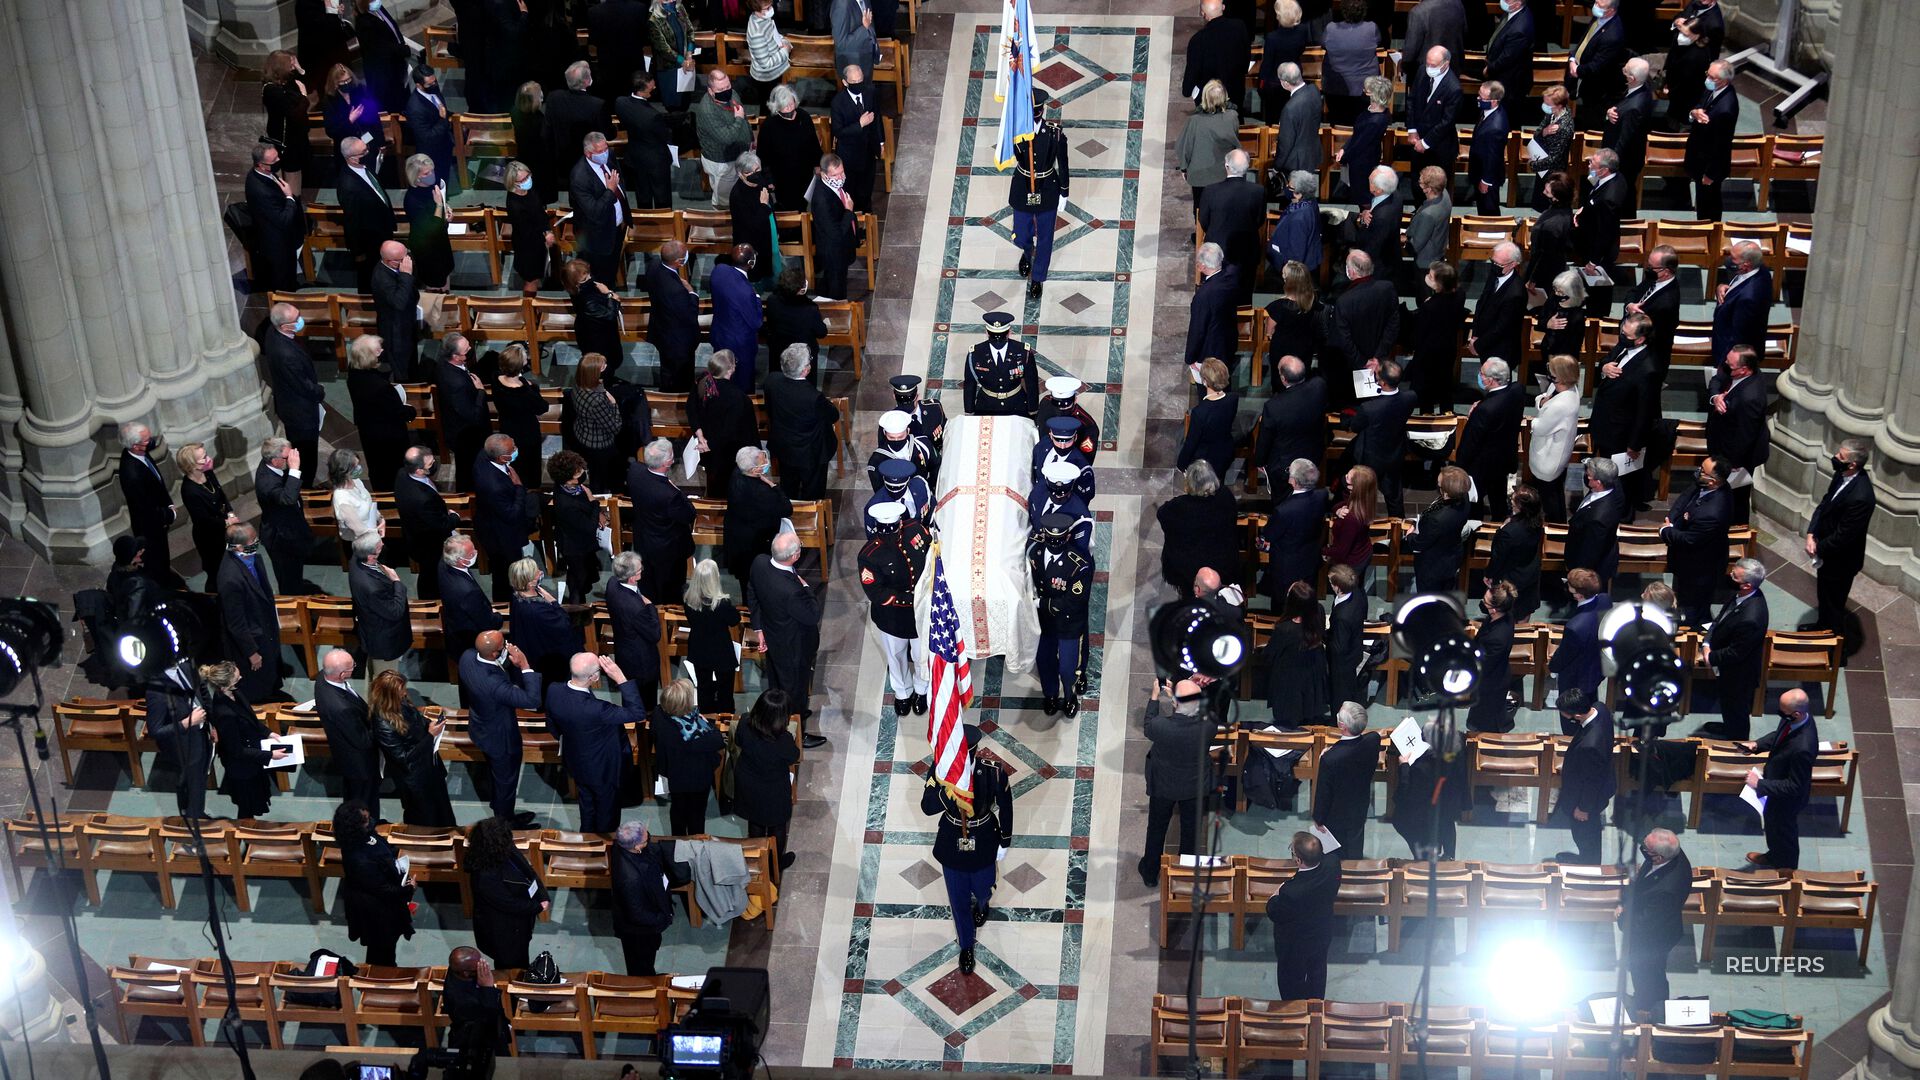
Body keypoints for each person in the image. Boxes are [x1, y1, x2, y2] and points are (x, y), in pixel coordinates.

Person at [921, 725, 1013, 975]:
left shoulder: (992, 772)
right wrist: (950, 791)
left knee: (984, 887)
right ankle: (966, 946)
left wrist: (1005, 840)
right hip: (952, 840)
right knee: (958, 899)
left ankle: (982, 905)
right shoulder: (940, 773)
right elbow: (927, 807)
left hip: (983, 838)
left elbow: (1006, 806)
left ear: (973, 753)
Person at [547, 653, 647, 834]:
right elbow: (638, 713)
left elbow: (552, 725)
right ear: (593, 677)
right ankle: (603, 843)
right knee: (607, 808)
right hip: (602, 767)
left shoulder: (554, 690)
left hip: (576, 760)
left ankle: (587, 836)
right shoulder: (598, 710)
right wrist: (620, 678)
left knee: (586, 801)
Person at [748, 533, 828, 746]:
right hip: (794, 645)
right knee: (794, 688)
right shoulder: (792, 591)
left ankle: (794, 713)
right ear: (794, 556)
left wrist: (758, 628)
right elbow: (812, 615)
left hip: (773, 635)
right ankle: (796, 733)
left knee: (779, 682)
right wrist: (805, 587)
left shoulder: (759, 563)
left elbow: (752, 592)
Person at [458, 631, 541, 824]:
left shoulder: (467, 657)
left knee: (497, 774)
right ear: (495, 653)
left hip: (481, 727)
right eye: (503, 645)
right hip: (500, 737)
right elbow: (532, 699)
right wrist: (524, 665)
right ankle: (505, 822)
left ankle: (499, 806)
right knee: (506, 780)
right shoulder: (494, 685)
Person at [859, 503, 931, 715]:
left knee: (920, 655)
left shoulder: (916, 529)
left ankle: (921, 689)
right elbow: (877, 593)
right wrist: (912, 598)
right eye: (888, 528)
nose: (892, 531)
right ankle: (902, 692)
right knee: (896, 656)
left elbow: (931, 558)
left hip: (920, 614)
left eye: (895, 527)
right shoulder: (870, 554)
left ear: (900, 523)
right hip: (892, 617)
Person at [1138, 677, 1210, 885]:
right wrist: (1180, 702)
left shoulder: (1161, 727)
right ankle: (1185, 871)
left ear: (1175, 704)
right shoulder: (1208, 727)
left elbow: (1148, 724)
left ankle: (1150, 871)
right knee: (1191, 830)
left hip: (1163, 785)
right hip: (1194, 786)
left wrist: (1155, 697)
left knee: (1157, 828)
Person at [1806, 439, 1877, 641]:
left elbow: (1843, 536)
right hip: (1827, 551)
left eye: (1841, 457)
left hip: (1841, 561)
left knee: (1834, 604)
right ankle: (1821, 629)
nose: (1835, 458)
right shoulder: (1841, 475)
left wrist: (1817, 548)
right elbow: (1825, 504)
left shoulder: (1862, 497)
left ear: (1853, 464)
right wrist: (1812, 533)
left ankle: (1836, 648)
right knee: (1824, 597)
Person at [1588, 313, 1661, 508]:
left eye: (1626, 335)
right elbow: (1606, 359)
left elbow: (1645, 411)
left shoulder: (1648, 369)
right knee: (1606, 470)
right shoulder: (1624, 346)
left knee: (1622, 478)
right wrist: (1604, 367)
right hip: (1606, 421)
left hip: (1622, 431)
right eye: (1622, 332)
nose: (1621, 337)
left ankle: (1622, 512)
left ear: (1640, 339)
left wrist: (1634, 444)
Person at [1620, 829, 1692, 1019]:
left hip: (1653, 938)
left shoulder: (1666, 890)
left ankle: (1650, 1012)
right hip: (1656, 924)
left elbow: (1643, 924)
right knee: (1649, 972)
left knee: (1648, 973)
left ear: (1658, 857)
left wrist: (1622, 915)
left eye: (1646, 849)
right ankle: (1648, 1002)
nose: (1642, 850)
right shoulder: (1671, 852)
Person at [369, 669, 455, 827]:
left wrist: (430, 724)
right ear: (390, 694)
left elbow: (417, 718)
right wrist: (430, 736)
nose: (404, 692)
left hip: (429, 768)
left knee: (442, 811)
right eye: (401, 690)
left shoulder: (402, 702)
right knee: (425, 818)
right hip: (414, 779)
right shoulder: (382, 723)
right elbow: (402, 757)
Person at [336, 800, 415, 967]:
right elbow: (381, 889)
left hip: (380, 898)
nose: (370, 821)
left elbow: (381, 846)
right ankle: (380, 978)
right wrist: (408, 888)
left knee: (385, 947)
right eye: (365, 820)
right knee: (381, 947)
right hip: (376, 910)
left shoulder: (364, 834)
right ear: (354, 825)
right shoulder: (359, 858)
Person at [1697, 557, 1769, 741]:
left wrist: (1710, 656)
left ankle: (1737, 739)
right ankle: (1730, 728)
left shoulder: (1751, 618)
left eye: (1734, 576)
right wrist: (1707, 642)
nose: (1729, 576)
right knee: (1728, 704)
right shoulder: (1742, 595)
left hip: (1739, 673)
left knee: (1736, 707)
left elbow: (1736, 652)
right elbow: (1721, 618)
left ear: (1747, 585)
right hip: (1729, 667)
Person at [1745, 690, 1818, 870]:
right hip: (1777, 785)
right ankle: (1774, 856)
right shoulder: (1793, 721)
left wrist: (1759, 784)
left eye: (1781, 712)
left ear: (1797, 714)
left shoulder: (1803, 747)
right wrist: (1758, 745)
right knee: (1772, 825)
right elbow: (1779, 735)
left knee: (1784, 832)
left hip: (1787, 800)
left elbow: (1795, 786)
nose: (1779, 715)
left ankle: (1786, 870)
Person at [202, 661, 283, 819]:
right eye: (237, 678)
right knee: (246, 808)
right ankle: (245, 835)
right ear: (225, 685)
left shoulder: (235, 693)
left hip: (252, 758)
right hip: (242, 767)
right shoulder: (224, 713)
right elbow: (236, 750)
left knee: (252, 803)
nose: (241, 678)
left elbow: (251, 719)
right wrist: (270, 755)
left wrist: (269, 734)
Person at [1012, 90, 1072, 300]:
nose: (1036, 114)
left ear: (1043, 110)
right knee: (1021, 233)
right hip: (1023, 186)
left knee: (1045, 237)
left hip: (1047, 188)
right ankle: (1027, 252)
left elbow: (1063, 164)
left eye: (1038, 110)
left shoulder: (1055, 134)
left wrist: (1064, 191)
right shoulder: (1016, 131)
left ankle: (1037, 277)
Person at [1267, 831, 1341, 1000]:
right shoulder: (1333, 865)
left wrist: (1276, 894)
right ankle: (1315, 1006)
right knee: (1318, 971)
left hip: (1295, 942)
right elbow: (1330, 853)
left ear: (1299, 860)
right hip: (1322, 932)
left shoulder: (1291, 891)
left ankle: (1294, 1008)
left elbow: (1273, 911)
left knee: (1291, 978)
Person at [1662, 455, 1733, 627]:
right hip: (1686, 561)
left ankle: (1690, 636)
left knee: (1692, 606)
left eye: (1702, 470)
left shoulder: (1713, 512)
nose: (1698, 472)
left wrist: (1665, 530)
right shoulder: (1703, 483)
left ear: (1713, 481)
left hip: (1699, 568)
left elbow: (1689, 539)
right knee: (1682, 595)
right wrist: (1671, 519)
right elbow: (1684, 498)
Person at [218, 524, 285, 702]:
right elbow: (236, 623)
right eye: (253, 540)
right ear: (239, 547)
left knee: (271, 671)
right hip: (254, 638)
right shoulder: (230, 579)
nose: (257, 542)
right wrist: (252, 652)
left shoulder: (254, 559)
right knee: (258, 683)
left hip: (266, 626)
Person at [764, 345, 841, 500]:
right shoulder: (813, 397)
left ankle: (789, 514)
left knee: (788, 485)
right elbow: (833, 415)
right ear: (805, 370)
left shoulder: (772, 381)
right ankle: (812, 515)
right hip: (811, 451)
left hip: (785, 446)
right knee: (813, 490)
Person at [736, 690, 801, 870]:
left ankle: (757, 860)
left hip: (747, 781)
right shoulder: (783, 740)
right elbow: (793, 757)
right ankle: (775, 864)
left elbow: (738, 741)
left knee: (755, 821)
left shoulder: (744, 722)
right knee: (777, 826)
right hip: (772, 788)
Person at [1705, 345, 1770, 526]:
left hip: (1737, 458)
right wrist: (1716, 397)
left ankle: (1735, 530)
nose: (1726, 365)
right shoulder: (1733, 370)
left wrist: (1732, 463)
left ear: (1744, 369)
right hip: (1723, 443)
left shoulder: (1751, 397)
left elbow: (1745, 435)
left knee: (1735, 496)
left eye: (1730, 365)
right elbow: (1716, 380)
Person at [1343, 362, 1417, 518]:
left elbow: (1355, 426)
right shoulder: (1410, 397)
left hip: (1370, 458)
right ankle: (1398, 531)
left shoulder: (1369, 408)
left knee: (1362, 495)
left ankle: (1359, 525)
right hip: (1394, 453)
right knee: (1394, 498)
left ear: (1382, 383)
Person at [262, 305, 326, 484]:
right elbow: (303, 386)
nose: (301, 320)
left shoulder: (272, 331)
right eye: (296, 319)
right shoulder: (286, 354)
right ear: (284, 327)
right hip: (300, 413)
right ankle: (305, 485)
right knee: (306, 453)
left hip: (289, 403)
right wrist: (319, 392)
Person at [1157, 462, 1239, 600]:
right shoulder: (1225, 495)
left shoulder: (1179, 506)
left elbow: (1162, 514)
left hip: (1189, 569)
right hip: (1223, 561)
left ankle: (1190, 599)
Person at [653, 679, 725, 836]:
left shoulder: (659, 715)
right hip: (696, 779)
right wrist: (708, 724)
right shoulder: (694, 738)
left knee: (678, 810)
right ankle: (695, 845)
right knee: (696, 816)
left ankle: (677, 843)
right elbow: (718, 741)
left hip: (674, 776)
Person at [1552, 688, 1616, 863]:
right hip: (1599, 777)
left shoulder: (1591, 745)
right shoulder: (1600, 708)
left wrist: (1584, 808)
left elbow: (1592, 781)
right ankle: (1587, 857)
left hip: (1586, 797)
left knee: (1585, 832)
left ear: (1577, 715)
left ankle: (1589, 863)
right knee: (1588, 833)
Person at [1328, 251, 1400, 408]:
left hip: (1353, 363)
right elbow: (1393, 325)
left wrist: (1363, 361)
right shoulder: (1387, 288)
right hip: (1380, 359)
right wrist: (1378, 356)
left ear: (1351, 271)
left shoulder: (1344, 301)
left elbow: (1343, 338)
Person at [314, 648, 382, 813]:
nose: (355, 668)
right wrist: (384, 726)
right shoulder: (341, 708)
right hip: (359, 763)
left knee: (354, 793)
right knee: (365, 799)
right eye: (352, 667)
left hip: (345, 752)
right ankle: (366, 827)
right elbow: (363, 740)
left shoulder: (322, 677)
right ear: (342, 675)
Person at [344, 336, 417, 486]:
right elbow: (398, 412)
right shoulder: (380, 387)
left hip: (368, 429)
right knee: (391, 469)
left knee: (376, 465)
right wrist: (411, 411)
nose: (382, 351)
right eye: (378, 350)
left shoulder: (354, 373)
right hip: (387, 436)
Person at [473, 434, 539, 601]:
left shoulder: (485, 455)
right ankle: (506, 605)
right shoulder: (494, 485)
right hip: (501, 536)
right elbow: (512, 514)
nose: (516, 449)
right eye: (513, 449)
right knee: (505, 573)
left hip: (492, 522)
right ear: (502, 458)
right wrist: (518, 487)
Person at [1455, 358, 1523, 519]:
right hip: (1504, 458)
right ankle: (1499, 523)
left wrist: (1460, 466)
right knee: (1498, 498)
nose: (1479, 375)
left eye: (1482, 373)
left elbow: (1470, 443)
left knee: (1474, 502)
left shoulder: (1484, 410)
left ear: (1490, 380)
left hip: (1481, 466)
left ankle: (1475, 530)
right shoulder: (1517, 391)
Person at [118, 425, 184, 589]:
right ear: (135, 445)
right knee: (157, 563)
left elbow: (157, 482)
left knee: (162, 559)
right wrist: (169, 515)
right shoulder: (131, 473)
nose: (152, 441)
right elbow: (146, 510)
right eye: (148, 439)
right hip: (149, 528)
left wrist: (168, 503)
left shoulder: (141, 453)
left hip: (157, 517)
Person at [143, 659, 211, 819]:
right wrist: (188, 722)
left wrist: (211, 722)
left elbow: (202, 691)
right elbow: (156, 730)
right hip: (184, 744)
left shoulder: (187, 666)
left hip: (202, 732)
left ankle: (196, 810)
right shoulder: (156, 690)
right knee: (192, 780)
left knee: (200, 777)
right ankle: (194, 816)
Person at [689, 351, 760, 499]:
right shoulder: (738, 397)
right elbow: (735, 430)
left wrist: (700, 434)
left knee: (715, 487)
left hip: (708, 450)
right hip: (728, 454)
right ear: (731, 369)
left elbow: (691, 409)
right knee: (729, 491)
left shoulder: (703, 383)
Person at [610, 821, 677, 975]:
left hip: (647, 911)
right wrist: (663, 918)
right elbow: (637, 914)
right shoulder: (630, 878)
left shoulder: (622, 846)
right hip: (639, 932)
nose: (649, 841)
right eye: (647, 840)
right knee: (641, 966)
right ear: (637, 847)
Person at [1313, 701, 1379, 858]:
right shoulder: (1373, 740)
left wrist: (1318, 818)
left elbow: (1324, 792)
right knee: (1356, 840)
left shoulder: (1330, 759)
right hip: (1360, 805)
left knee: (1335, 851)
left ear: (1342, 726)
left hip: (1337, 812)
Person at [1198, 150, 1265, 300]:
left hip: (1216, 252)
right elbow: (1259, 220)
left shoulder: (1210, 191)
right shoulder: (1258, 191)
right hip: (1246, 251)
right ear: (1247, 167)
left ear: (1226, 165)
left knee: (1215, 296)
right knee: (1243, 298)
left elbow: (1204, 220)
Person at [395, 447, 458, 602]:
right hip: (428, 544)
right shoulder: (422, 499)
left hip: (416, 532)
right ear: (418, 471)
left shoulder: (402, 473)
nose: (434, 465)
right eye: (430, 464)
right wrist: (454, 518)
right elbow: (442, 525)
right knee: (430, 575)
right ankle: (431, 602)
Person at [1259, 459, 1328, 600]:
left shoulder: (1284, 511)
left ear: (1293, 481)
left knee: (1285, 604)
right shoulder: (1322, 495)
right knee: (1306, 601)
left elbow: (1269, 534)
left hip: (1286, 567)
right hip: (1310, 559)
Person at [1254, 355, 1327, 486]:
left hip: (1285, 465)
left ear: (1283, 379)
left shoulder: (1273, 406)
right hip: (1313, 456)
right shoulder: (1319, 387)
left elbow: (1265, 438)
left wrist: (1260, 461)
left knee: (1282, 502)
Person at [336, 135, 397, 293]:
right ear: (353, 159)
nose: (368, 152)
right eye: (364, 151)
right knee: (370, 274)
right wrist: (358, 251)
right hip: (370, 239)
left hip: (381, 228)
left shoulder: (363, 166)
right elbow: (352, 221)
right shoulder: (348, 186)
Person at [245, 142, 306, 293]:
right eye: (274, 161)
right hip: (277, 243)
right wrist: (289, 197)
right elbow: (283, 219)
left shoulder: (264, 173)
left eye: (277, 156)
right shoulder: (260, 190)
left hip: (284, 238)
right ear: (261, 165)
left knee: (289, 274)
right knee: (283, 282)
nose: (279, 160)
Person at [683, 560, 742, 715]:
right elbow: (735, 620)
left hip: (699, 647)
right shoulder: (722, 604)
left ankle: (707, 716)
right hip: (721, 650)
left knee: (704, 687)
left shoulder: (689, 600)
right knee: (725, 689)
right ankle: (725, 717)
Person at [440, 534, 505, 674]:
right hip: (468, 639)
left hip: (454, 626)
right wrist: (498, 616)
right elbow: (487, 622)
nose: (476, 553)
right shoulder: (467, 592)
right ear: (461, 561)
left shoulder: (444, 563)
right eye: (472, 553)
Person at [1406, 262, 1466, 413]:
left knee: (1426, 390)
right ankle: (1447, 415)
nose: (1427, 276)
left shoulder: (1429, 307)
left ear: (1439, 284)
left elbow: (1420, 334)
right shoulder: (1460, 295)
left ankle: (1427, 417)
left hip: (1428, 353)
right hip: (1448, 348)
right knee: (1445, 385)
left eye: (1431, 277)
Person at [349, 533, 410, 680]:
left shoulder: (356, 559)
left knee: (375, 673)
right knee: (385, 680)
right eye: (378, 545)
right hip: (384, 638)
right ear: (371, 557)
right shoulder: (372, 588)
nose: (382, 544)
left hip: (371, 627)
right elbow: (395, 611)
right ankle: (381, 703)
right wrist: (397, 582)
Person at [176, 442, 237, 591]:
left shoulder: (208, 473)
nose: (209, 459)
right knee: (217, 572)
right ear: (192, 465)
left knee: (232, 566)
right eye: (204, 458)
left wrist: (230, 513)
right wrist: (226, 522)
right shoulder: (189, 490)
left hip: (225, 528)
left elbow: (221, 495)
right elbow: (203, 520)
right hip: (209, 538)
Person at [1527, 356, 1581, 522]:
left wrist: (1532, 420)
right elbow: (1544, 398)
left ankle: (1556, 528)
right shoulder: (1560, 387)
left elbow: (1540, 427)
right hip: (1553, 451)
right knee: (1554, 490)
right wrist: (1542, 402)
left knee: (1551, 497)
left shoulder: (1562, 404)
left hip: (1549, 457)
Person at [434, 333, 489, 493]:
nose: (470, 350)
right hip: (466, 436)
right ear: (455, 356)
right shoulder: (457, 384)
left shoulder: (444, 364)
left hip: (459, 428)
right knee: (468, 472)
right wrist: (480, 392)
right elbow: (472, 415)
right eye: (466, 350)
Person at [688, 72, 750, 211]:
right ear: (710, 90)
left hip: (738, 153)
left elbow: (743, 117)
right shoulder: (707, 111)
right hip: (721, 161)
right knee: (723, 201)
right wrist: (739, 119)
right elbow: (727, 138)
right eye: (720, 90)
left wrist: (750, 138)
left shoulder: (732, 93)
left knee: (739, 192)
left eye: (728, 86)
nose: (726, 91)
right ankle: (723, 228)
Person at [571, 132, 628, 283]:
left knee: (612, 269)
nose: (605, 154)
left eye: (606, 148)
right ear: (588, 153)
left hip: (616, 227)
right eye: (600, 151)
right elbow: (594, 212)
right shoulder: (580, 177)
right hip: (597, 237)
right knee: (600, 277)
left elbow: (619, 180)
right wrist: (610, 190)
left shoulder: (610, 157)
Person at [1685, 60, 1739, 220]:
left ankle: (1709, 232)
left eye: (1712, 77)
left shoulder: (1726, 109)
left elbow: (1721, 145)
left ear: (1724, 80)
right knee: (1702, 200)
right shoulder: (1713, 89)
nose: (1707, 79)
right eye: (1708, 74)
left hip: (1710, 166)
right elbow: (1699, 106)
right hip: (1699, 156)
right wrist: (1694, 113)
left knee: (1709, 202)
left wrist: (1710, 174)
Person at [1174, 82, 1241, 210]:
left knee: (1200, 207)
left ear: (1205, 97)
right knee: (1221, 207)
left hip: (1200, 175)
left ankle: (1200, 228)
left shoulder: (1194, 121)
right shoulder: (1232, 116)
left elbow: (1184, 147)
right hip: (1223, 173)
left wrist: (1184, 168)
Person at [1565, 458, 1628, 595]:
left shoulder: (1598, 519)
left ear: (1598, 483)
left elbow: (1589, 552)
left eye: (1589, 476)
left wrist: (1577, 574)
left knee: (1590, 597)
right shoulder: (1612, 483)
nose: (1586, 476)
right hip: (1600, 545)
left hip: (1593, 565)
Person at [613, 73, 673, 213]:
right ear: (641, 90)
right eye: (651, 87)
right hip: (656, 160)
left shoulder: (620, 102)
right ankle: (664, 223)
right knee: (662, 195)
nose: (654, 88)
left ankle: (644, 220)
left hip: (635, 156)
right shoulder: (653, 116)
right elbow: (664, 135)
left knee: (642, 193)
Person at [760, 86, 825, 214]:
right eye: (785, 106)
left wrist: (818, 164)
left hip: (804, 175)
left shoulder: (804, 117)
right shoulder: (769, 125)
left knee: (802, 205)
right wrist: (769, 179)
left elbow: (813, 144)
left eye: (791, 103)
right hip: (782, 178)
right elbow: (763, 156)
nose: (790, 108)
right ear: (777, 107)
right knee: (787, 208)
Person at [490, 346, 548, 486]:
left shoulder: (495, 378)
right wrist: (529, 387)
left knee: (514, 465)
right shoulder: (526, 391)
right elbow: (542, 407)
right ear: (522, 364)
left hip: (508, 428)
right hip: (527, 433)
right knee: (530, 469)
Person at [566, 354, 623, 493]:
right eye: (602, 366)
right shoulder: (596, 401)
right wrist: (614, 404)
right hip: (598, 443)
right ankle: (600, 500)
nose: (606, 367)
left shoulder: (578, 384)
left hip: (582, 432)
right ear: (593, 373)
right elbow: (615, 427)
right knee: (600, 477)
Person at [708, 246, 764, 387]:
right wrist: (757, 298)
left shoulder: (718, 270)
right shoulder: (746, 292)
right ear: (750, 264)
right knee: (742, 383)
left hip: (720, 335)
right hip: (740, 344)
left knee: (719, 379)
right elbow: (756, 322)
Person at [1484, 485, 1543, 619]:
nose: (1511, 499)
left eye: (1514, 499)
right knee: (1524, 610)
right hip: (1529, 571)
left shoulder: (1509, 532)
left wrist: (1489, 574)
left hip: (1511, 576)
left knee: (1507, 612)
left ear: (1521, 506)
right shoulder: (1536, 521)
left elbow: (1498, 556)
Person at [1468, 581, 1519, 732]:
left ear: (1494, 609)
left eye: (1485, 602)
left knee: (1487, 720)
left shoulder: (1498, 637)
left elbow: (1484, 665)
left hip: (1491, 681)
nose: (1483, 603)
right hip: (1492, 673)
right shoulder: (1502, 615)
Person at [1177, 359, 1239, 482]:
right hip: (1225, 452)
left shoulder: (1200, 412)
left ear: (1205, 382)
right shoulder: (1233, 398)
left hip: (1206, 461)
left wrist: (1181, 465)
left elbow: (1191, 443)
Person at [808, 154, 859, 301]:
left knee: (839, 281)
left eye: (842, 172)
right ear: (823, 174)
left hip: (842, 248)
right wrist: (849, 211)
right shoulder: (822, 200)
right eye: (835, 175)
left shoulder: (836, 184)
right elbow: (835, 234)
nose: (840, 177)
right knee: (836, 291)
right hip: (833, 253)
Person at [1181, 0, 1253, 105]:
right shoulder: (1240, 27)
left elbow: (1192, 73)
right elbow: (1245, 61)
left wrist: (1188, 91)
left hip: (1209, 102)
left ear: (1203, 13)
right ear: (1223, 7)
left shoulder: (1198, 40)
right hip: (1235, 96)